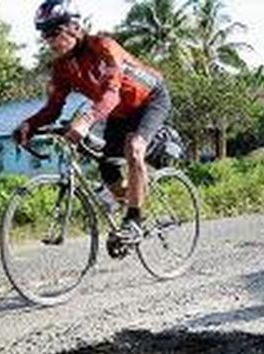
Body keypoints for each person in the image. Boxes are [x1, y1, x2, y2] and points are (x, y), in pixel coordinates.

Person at [13, 0, 171, 242]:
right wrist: (29, 125)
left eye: (54, 32)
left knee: (134, 148)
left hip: (150, 100)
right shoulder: (61, 68)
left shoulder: (104, 47)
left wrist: (86, 120)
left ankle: (134, 220)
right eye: (45, 35)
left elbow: (111, 93)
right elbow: (53, 108)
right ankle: (132, 206)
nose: (50, 41)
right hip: (119, 113)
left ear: (74, 27)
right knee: (107, 169)